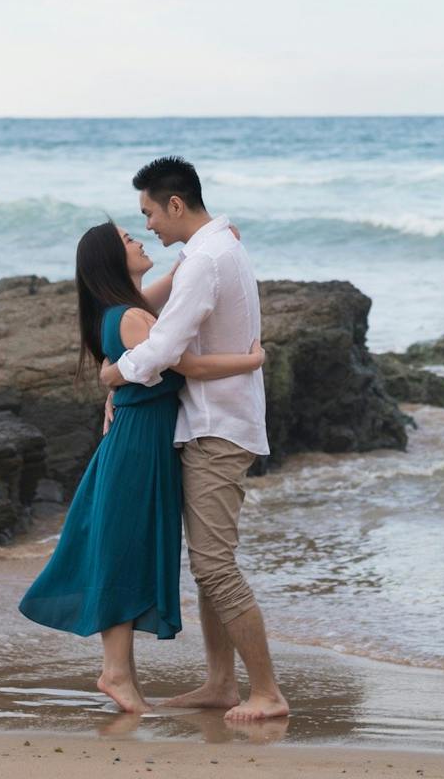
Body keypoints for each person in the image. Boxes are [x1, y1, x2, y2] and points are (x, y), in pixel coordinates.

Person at [18, 221, 264, 714]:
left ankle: (122, 673)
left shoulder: (128, 309)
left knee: (127, 548)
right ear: (113, 259)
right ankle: (115, 672)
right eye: (128, 239)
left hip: (143, 441)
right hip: (138, 446)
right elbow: (186, 367)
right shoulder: (132, 317)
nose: (139, 238)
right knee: (123, 551)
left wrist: (212, 239)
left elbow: (173, 285)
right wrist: (252, 360)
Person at [99, 156, 290, 722]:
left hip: (217, 428)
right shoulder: (212, 249)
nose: (149, 225)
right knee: (211, 565)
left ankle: (267, 692)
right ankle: (220, 684)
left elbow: (163, 349)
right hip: (214, 422)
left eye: (150, 213)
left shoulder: (207, 258)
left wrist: (113, 375)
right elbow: (167, 304)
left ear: (176, 205)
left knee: (214, 566)